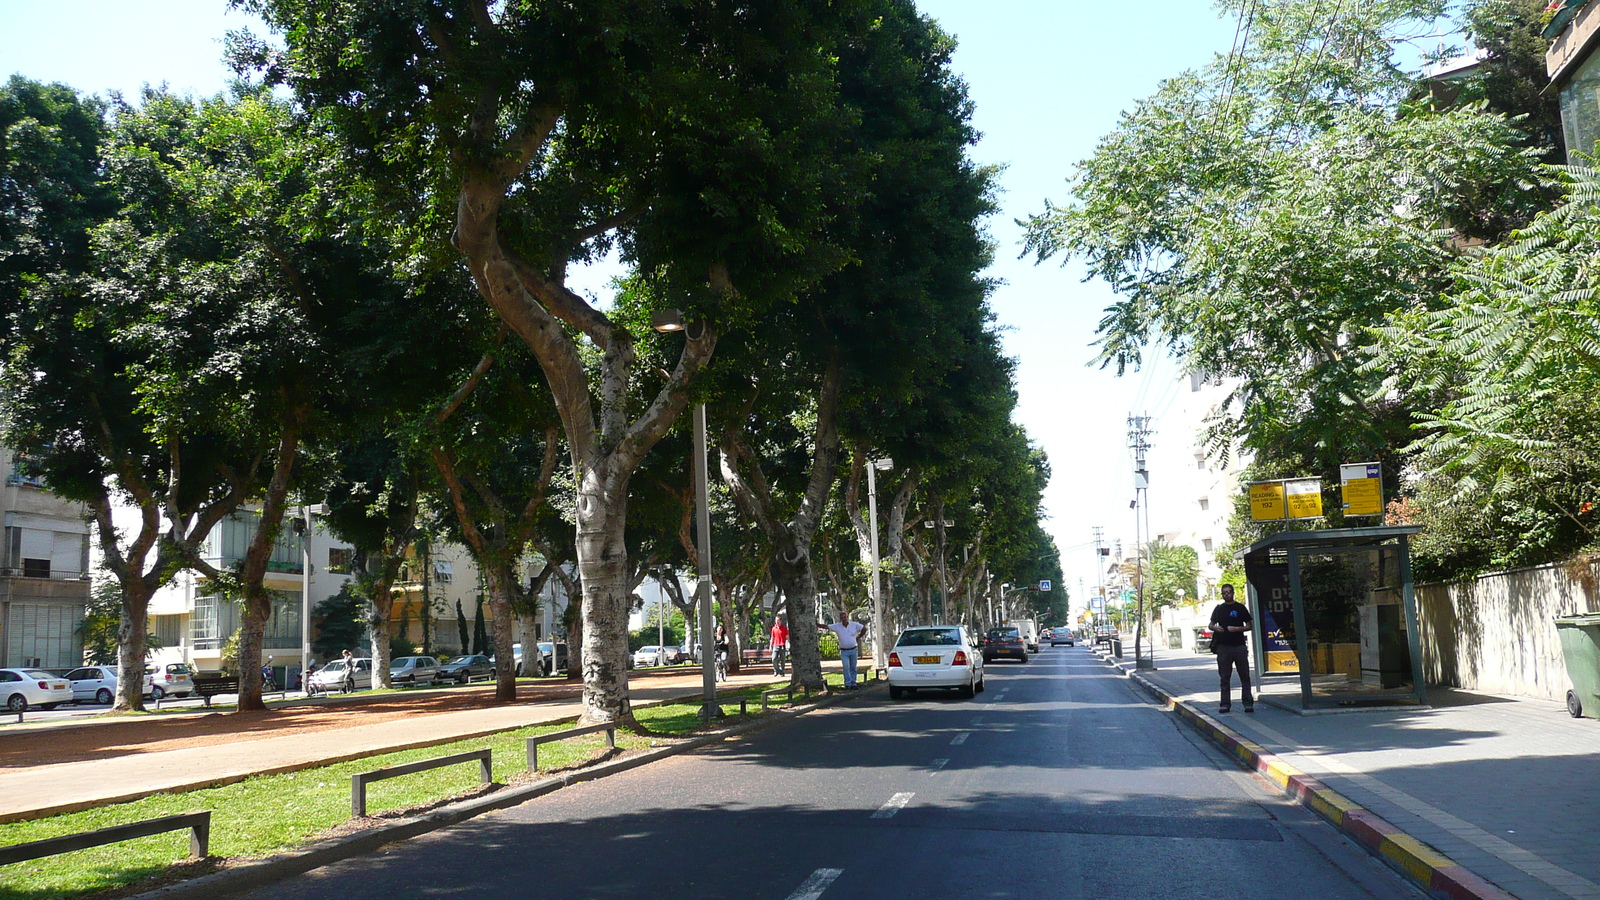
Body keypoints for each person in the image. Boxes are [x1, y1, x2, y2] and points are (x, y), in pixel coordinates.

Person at [1209, 584, 1254, 713]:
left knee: (1244, 676)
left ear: (1233, 593)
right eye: (1224, 593)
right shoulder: (1219, 609)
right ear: (1222, 595)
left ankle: (1248, 703)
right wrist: (1214, 628)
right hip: (1223, 647)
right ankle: (1225, 704)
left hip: (1239, 646)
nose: (1227, 594)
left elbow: (1249, 625)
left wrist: (1237, 629)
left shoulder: (1240, 608)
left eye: (1229, 592)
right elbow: (1211, 624)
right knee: (1224, 677)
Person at [825, 610, 866, 690]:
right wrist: (817, 624)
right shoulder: (837, 626)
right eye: (842, 618)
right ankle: (847, 683)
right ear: (840, 619)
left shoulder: (854, 625)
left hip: (853, 649)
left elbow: (864, 628)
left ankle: (853, 683)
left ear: (847, 617)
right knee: (846, 667)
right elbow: (827, 626)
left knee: (853, 667)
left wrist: (859, 636)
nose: (844, 619)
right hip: (844, 651)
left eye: (845, 617)